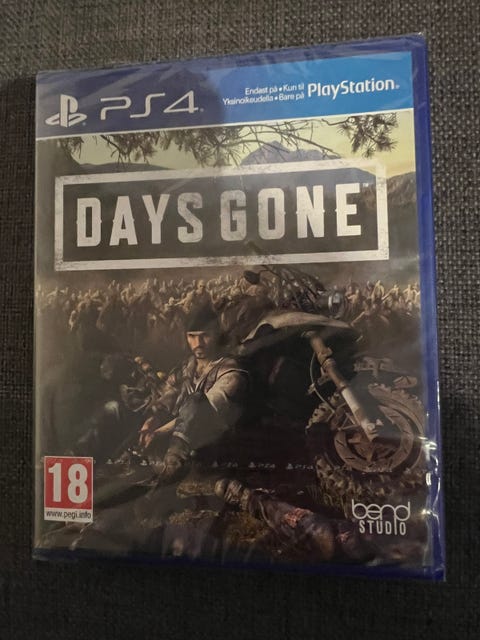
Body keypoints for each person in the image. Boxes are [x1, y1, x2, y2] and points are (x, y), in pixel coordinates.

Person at [139, 304, 249, 484]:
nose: (198, 344)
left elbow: (201, 410)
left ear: (216, 333)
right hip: (183, 440)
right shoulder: (187, 367)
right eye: (192, 336)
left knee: (196, 400)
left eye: (205, 335)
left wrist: (158, 432)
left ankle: (170, 471)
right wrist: (152, 420)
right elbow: (168, 394)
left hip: (217, 444)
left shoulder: (231, 371)